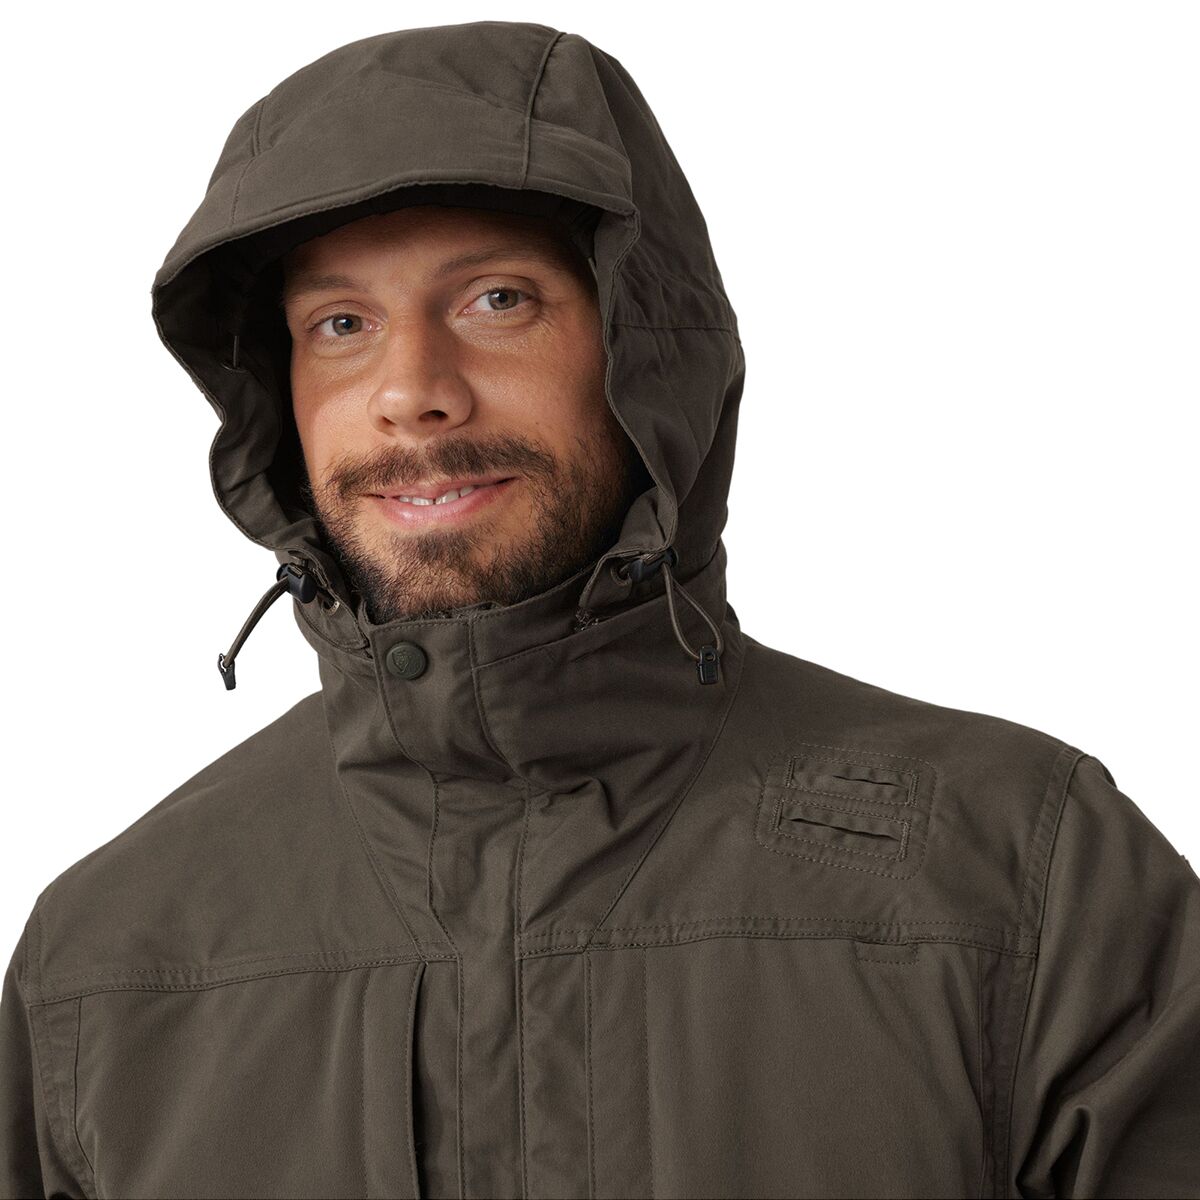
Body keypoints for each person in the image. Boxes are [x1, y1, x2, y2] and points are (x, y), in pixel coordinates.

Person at [2, 20, 1197, 1200]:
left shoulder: (1025, 880)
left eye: (497, 300)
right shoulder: (105, 968)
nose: (412, 392)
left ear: (645, 349)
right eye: (341, 325)